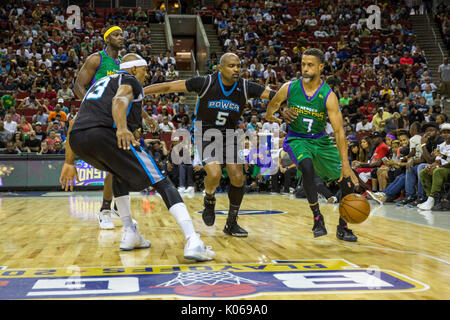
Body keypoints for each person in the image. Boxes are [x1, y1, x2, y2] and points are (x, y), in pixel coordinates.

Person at [59, 54, 214, 261]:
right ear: (133, 70)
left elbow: (73, 122)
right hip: (107, 134)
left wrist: (69, 162)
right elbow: (120, 99)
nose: (147, 73)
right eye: (144, 69)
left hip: (79, 139)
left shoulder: (101, 84)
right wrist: (122, 128)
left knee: (117, 174)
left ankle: (130, 232)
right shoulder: (129, 80)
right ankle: (193, 240)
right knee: (161, 180)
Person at [144, 53, 275, 237]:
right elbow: (170, 85)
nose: (236, 69)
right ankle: (209, 198)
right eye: (231, 66)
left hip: (229, 134)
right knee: (213, 174)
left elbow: (273, 95)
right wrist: (142, 91)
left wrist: (293, 101)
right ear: (220, 68)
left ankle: (231, 223)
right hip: (205, 133)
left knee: (238, 177)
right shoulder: (205, 82)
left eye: (238, 66)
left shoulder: (245, 86)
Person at [265, 48, 360, 242]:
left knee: (348, 181)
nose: (305, 69)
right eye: (303, 64)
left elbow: (339, 131)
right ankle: (317, 217)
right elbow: (271, 108)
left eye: (310, 65)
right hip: (297, 139)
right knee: (307, 167)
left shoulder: (328, 95)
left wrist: (346, 165)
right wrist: (279, 113)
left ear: (321, 67)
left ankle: (343, 227)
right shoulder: (289, 87)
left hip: (320, 141)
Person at [72, 26, 157, 230]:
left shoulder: (124, 65)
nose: (121, 38)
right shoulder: (96, 59)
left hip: (118, 115)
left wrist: (144, 116)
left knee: (118, 165)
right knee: (113, 165)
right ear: (106, 38)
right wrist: (91, 107)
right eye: (116, 35)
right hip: (97, 116)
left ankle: (115, 207)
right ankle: (105, 210)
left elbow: (128, 94)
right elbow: (78, 86)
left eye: (122, 35)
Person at [418, 123, 450, 210]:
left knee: (437, 171)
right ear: (441, 134)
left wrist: (438, 167)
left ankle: (432, 198)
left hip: (447, 169)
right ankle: (430, 199)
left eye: (448, 132)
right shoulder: (441, 146)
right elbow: (437, 160)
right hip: (442, 168)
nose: (445, 134)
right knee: (423, 172)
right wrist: (431, 166)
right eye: (444, 132)